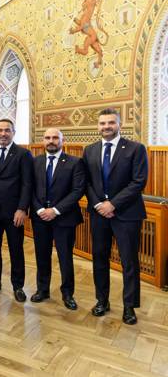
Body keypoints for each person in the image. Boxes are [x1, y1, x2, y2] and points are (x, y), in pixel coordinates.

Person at [83, 108, 148, 324]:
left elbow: (138, 182)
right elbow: (87, 182)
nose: (106, 127)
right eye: (102, 123)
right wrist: (99, 204)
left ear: (119, 124)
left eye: (110, 123)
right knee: (99, 258)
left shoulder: (135, 149)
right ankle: (102, 300)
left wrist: (113, 204)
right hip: (99, 214)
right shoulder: (90, 150)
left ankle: (129, 306)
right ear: (98, 126)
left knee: (129, 262)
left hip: (127, 214)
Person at [0, 118, 33, 302]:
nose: (3, 134)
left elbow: (27, 184)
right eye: (0, 130)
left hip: (13, 212)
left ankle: (18, 286)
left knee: (16, 249)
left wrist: (22, 208)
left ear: (13, 132)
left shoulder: (23, 154)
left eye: (7, 130)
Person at [30, 128, 85, 310]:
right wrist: (39, 209)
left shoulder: (75, 162)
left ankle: (67, 293)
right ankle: (42, 289)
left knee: (65, 257)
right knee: (42, 255)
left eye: (55, 137)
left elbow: (77, 191)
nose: (51, 140)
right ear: (43, 141)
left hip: (64, 218)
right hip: (40, 219)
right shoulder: (35, 161)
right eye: (47, 138)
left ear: (62, 140)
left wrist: (55, 210)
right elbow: (29, 188)